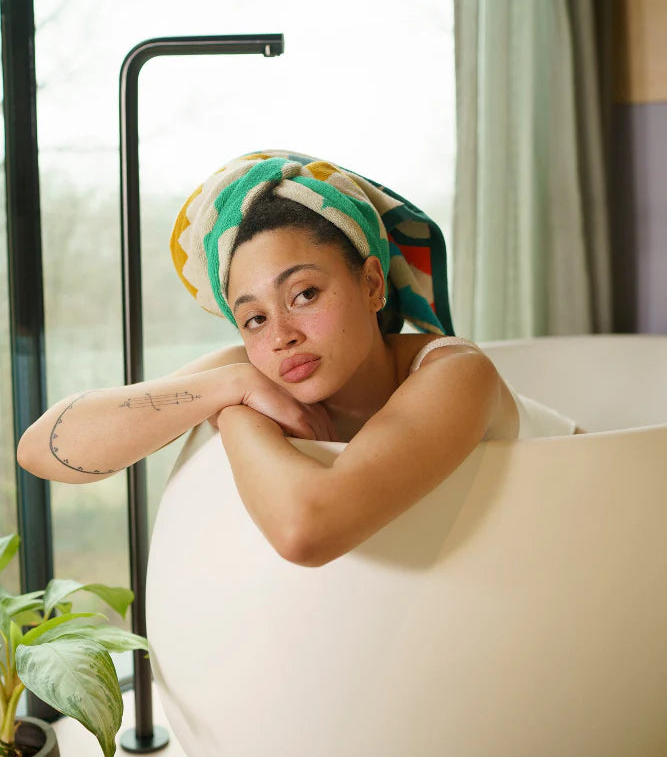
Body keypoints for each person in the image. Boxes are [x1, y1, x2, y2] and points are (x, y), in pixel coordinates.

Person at [17, 150, 584, 568]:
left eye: (305, 294)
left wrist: (236, 415)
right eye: (254, 317)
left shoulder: (457, 373)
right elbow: (44, 448)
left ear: (370, 282)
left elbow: (305, 529)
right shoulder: (256, 368)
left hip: (586, 544)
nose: (281, 335)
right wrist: (229, 385)